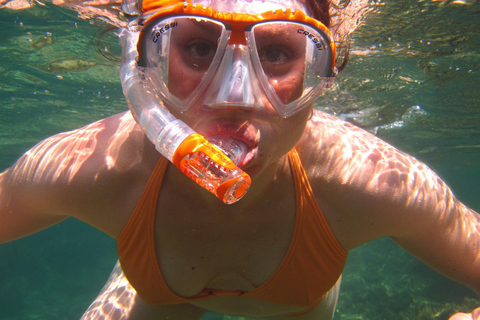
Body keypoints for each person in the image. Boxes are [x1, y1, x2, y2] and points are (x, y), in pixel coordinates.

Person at [0, 0, 479, 319]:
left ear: (323, 74)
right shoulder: (93, 169)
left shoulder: (371, 183)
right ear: (143, 66)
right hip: (159, 298)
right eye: (199, 47)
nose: (235, 97)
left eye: (274, 52)